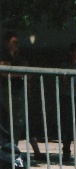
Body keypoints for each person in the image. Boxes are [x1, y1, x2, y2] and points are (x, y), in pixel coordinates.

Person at [0, 32, 44, 160]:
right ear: (7, 42)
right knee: (14, 122)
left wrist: (18, 72)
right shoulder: (3, 54)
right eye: (13, 42)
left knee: (22, 121)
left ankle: (13, 149)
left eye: (17, 43)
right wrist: (19, 73)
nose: (16, 45)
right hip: (6, 92)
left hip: (19, 93)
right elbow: (4, 71)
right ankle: (10, 150)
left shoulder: (19, 57)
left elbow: (27, 72)